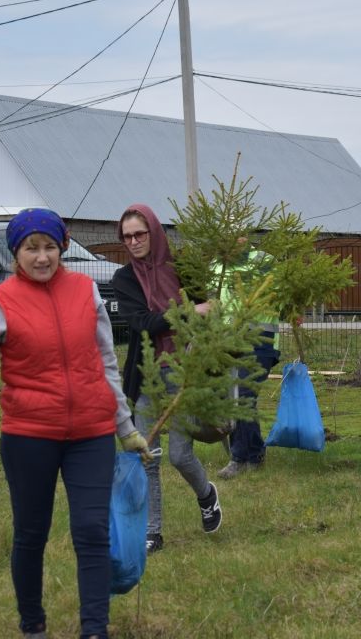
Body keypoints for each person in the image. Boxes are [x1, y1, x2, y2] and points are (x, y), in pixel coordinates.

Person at [0, 208, 150, 639]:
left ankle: (95, 629)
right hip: (28, 436)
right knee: (31, 534)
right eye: (31, 248)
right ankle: (32, 624)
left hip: (91, 432)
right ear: (16, 252)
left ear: (62, 247)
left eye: (49, 246)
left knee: (92, 531)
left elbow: (106, 363)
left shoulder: (85, 291)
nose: (41, 257)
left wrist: (125, 427)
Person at [111, 204, 221, 554]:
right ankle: (152, 532)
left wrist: (201, 327)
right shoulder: (124, 280)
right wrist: (190, 311)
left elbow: (212, 311)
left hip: (187, 374)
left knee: (179, 455)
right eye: (127, 237)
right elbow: (143, 323)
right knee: (149, 456)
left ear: (154, 232)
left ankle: (206, 494)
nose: (133, 242)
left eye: (139, 234)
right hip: (148, 377)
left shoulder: (183, 269)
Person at [217, 240, 281, 478]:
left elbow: (284, 292)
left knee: (243, 396)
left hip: (260, 340)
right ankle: (254, 454)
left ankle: (238, 458)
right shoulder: (217, 265)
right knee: (237, 399)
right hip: (226, 340)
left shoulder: (263, 260)